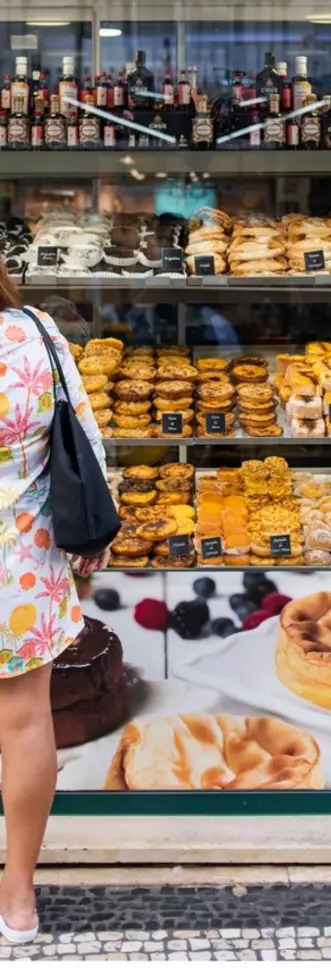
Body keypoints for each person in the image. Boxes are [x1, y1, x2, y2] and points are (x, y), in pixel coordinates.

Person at [0, 268, 110, 942]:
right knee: (24, 722)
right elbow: (84, 438)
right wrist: (94, 532)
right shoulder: (39, 335)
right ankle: (18, 899)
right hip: (24, 565)